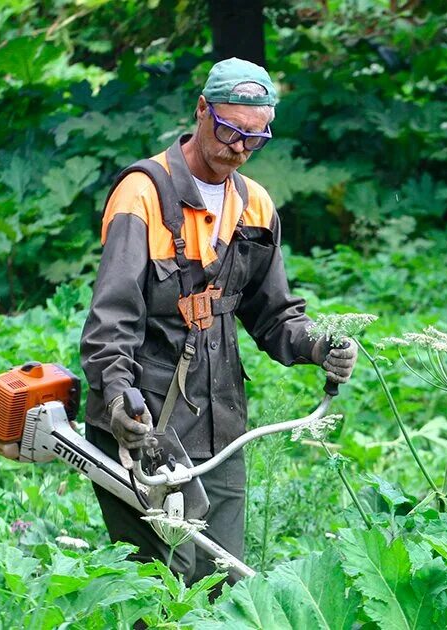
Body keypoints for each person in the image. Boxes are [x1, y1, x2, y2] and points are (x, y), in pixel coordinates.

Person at [79, 58, 356, 584]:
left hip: (219, 423)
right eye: (230, 130)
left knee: (224, 580)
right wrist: (117, 400)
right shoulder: (143, 194)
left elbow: (274, 317)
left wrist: (320, 346)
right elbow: (111, 319)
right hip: (145, 422)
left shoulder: (255, 205)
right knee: (162, 585)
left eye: (255, 138)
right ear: (202, 110)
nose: (239, 148)